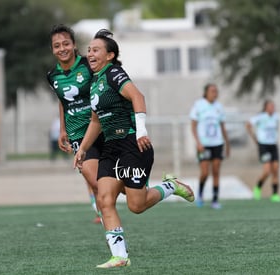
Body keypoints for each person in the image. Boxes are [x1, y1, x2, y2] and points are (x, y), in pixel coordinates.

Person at [73, 29, 194, 268]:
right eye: (89, 50)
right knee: (104, 200)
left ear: (110, 55)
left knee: (136, 206)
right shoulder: (95, 82)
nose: (90, 54)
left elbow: (138, 97)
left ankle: (172, 186)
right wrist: (83, 149)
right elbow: (96, 121)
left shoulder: (114, 73)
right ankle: (120, 256)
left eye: (96, 50)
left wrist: (141, 131)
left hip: (131, 144)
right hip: (110, 148)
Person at [47, 24, 104, 223]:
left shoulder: (89, 64)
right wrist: (63, 129)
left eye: (65, 44)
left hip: (101, 127)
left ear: (73, 45)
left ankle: (163, 187)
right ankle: (108, 224)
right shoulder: (52, 76)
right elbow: (63, 101)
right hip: (77, 132)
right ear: (52, 49)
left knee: (119, 189)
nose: (61, 48)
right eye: (56, 46)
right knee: (94, 180)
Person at [189, 83, 230, 209]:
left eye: (216, 91)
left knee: (216, 172)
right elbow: (193, 126)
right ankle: (200, 195)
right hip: (204, 145)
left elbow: (222, 126)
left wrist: (227, 143)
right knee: (205, 172)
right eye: (212, 91)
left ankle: (215, 200)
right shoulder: (198, 105)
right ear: (206, 92)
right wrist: (198, 143)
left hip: (217, 143)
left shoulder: (219, 107)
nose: (215, 93)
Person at [246, 99, 280, 202]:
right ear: (266, 107)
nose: (272, 108)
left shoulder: (275, 117)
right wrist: (254, 138)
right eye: (270, 106)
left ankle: (275, 194)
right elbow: (248, 125)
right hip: (264, 146)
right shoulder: (260, 117)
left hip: (273, 146)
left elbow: (276, 129)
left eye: (273, 106)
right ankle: (258, 187)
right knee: (267, 171)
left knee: (275, 169)